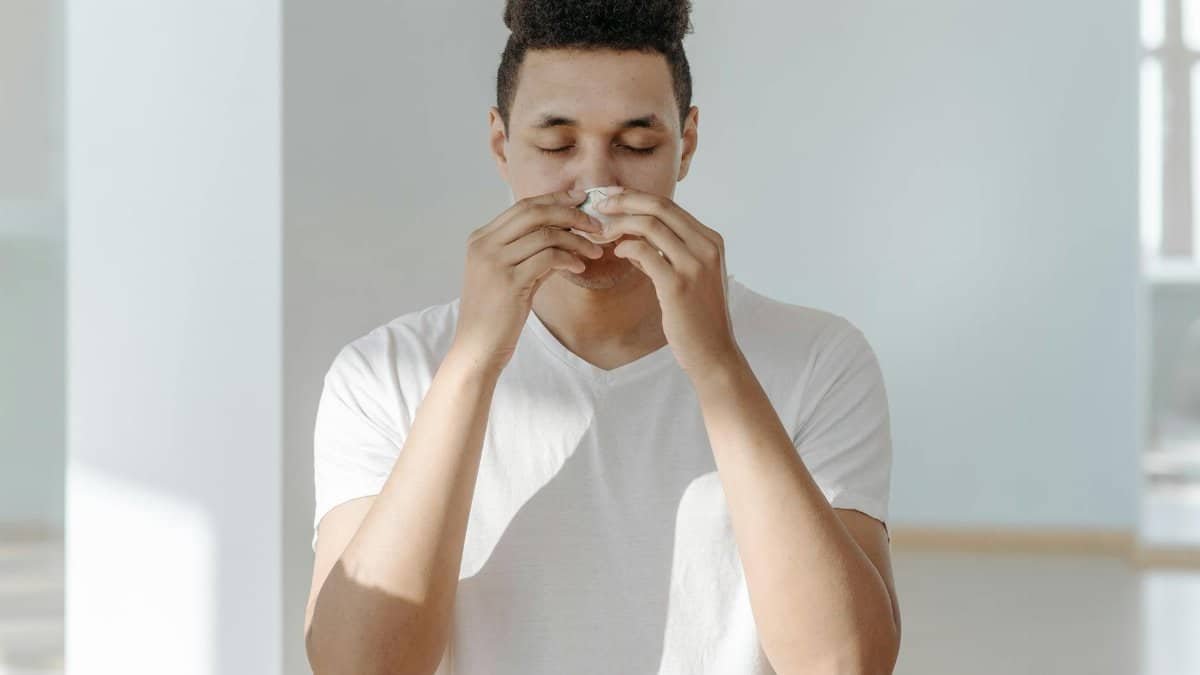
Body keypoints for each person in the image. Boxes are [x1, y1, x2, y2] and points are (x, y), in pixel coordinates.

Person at [304, 0, 901, 673]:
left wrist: (717, 365)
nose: (596, 184)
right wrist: (472, 365)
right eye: (557, 145)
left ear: (688, 145)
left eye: (637, 146)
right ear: (501, 144)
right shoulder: (385, 372)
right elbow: (357, 665)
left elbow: (846, 662)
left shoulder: (819, 360)